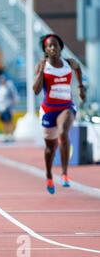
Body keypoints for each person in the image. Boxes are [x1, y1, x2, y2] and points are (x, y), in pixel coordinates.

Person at [33, 34, 86, 195]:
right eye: (49, 46)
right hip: (49, 109)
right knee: (50, 148)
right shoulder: (42, 65)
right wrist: (41, 71)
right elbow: (36, 91)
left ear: (60, 47)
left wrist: (80, 87)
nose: (53, 48)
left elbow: (78, 68)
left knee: (63, 132)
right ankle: (49, 174)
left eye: (55, 45)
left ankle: (64, 173)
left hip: (66, 107)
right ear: (45, 50)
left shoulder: (69, 63)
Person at [0, 74, 19, 143]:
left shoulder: (9, 87)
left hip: (8, 107)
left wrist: (12, 107)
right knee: (4, 123)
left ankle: (11, 136)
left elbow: (15, 98)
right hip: (1, 108)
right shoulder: (0, 88)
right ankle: (6, 136)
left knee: (9, 122)